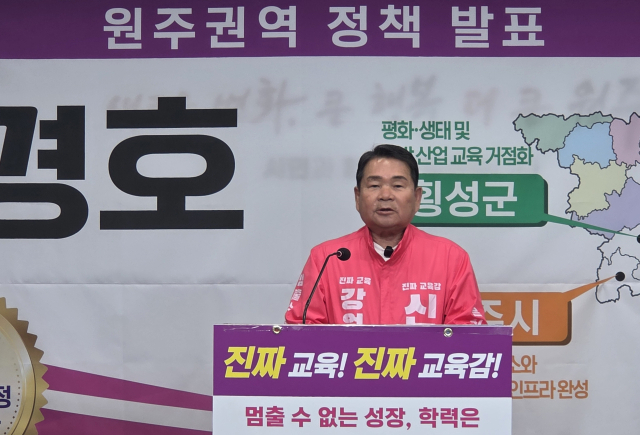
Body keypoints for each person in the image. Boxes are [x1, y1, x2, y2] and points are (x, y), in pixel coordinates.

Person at [285, 144, 486, 325]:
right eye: (374, 186)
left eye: (397, 186)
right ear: (358, 197)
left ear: (417, 198)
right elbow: (301, 335)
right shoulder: (327, 258)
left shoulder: (451, 258)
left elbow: (469, 336)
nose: (385, 195)